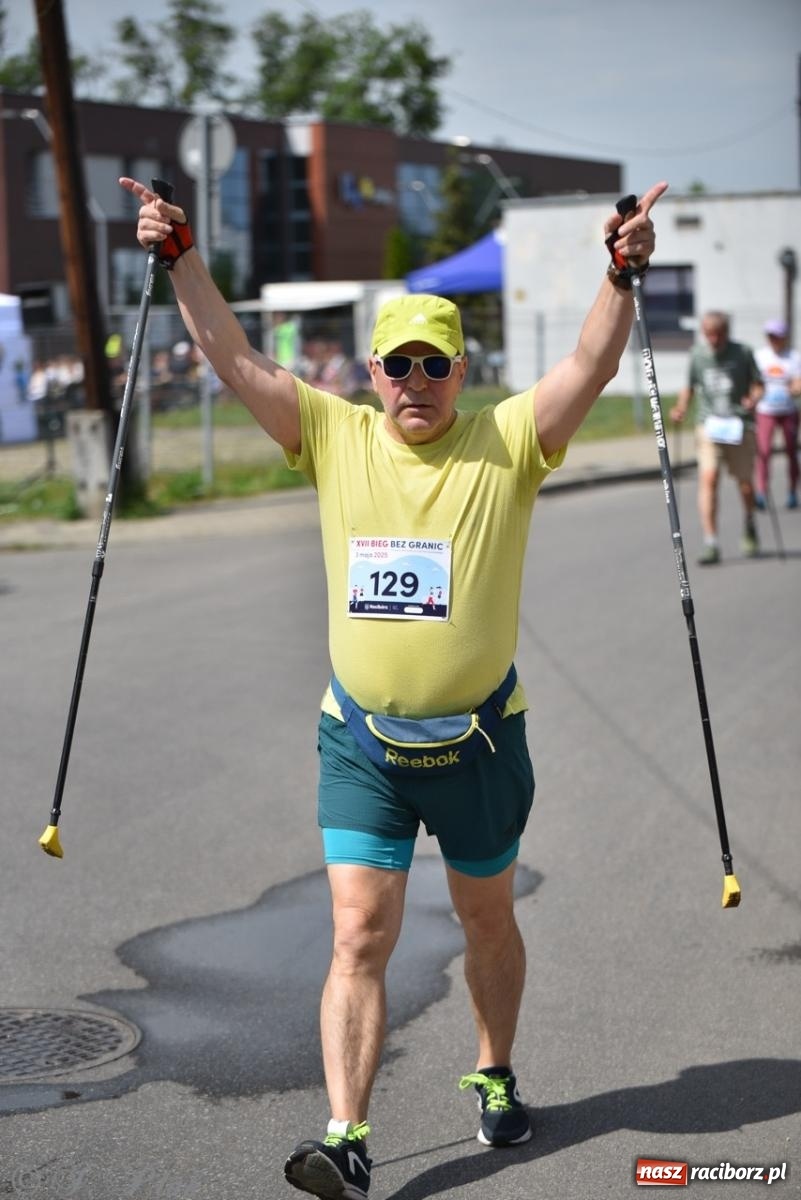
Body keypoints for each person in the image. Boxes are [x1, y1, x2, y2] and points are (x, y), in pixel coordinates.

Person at [120, 173, 667, 1200]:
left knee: (486, 922)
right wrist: (180, 253)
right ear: (372, 369)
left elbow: (593, 361)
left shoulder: (508, 442)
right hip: (363, 744)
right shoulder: (332, 434)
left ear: (462, 370)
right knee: (359, 933)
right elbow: (233, 358)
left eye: (435, 363)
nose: (416, 380)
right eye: (399, 363)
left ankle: (495, 1073)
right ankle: (347, 1135)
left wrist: (618, 272)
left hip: (480, 748)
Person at [670, 312, 764, 566]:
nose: (712, 339)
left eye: (717, 334)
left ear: (726, 332)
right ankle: (711, 541)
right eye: (708, 334)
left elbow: (758, 384)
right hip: (709, 424)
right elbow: (689, 386)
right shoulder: (698, 355)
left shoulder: (743, 352)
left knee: (745, 484)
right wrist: (681, 407)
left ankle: (749, 521)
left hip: (738, 424)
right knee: (709, 478)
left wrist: (753, 399)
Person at [753, 318, 801, 510]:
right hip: (765, 410)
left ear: (783, 338)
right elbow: (754, 383)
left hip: (787, 410)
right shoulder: (760, 356)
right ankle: (762, 491)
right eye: (770, 336)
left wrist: (795, 389)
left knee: (791, 451)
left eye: (777, 336)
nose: (773, 340)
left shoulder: (793, 357)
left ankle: (792, 491)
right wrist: (754, 396)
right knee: (763, 451)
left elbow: (798, 381)